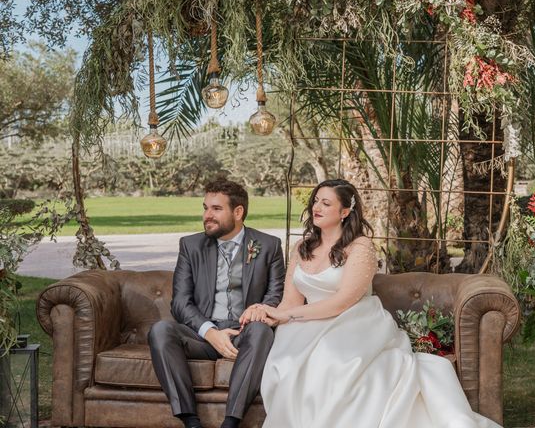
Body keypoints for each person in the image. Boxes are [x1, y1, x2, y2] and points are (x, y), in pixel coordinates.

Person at [243, 179, 502, 428]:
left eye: (325, 203)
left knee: (331, 360)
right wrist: (268, 311)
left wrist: (288, 316)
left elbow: (342, 302)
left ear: (345, 211)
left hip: (351, 322)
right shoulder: (302, 247)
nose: (316, 208)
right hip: (304, 322)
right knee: (286, 363)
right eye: (315, 202)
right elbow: (290, 301)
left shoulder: (360, 246)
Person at [148, 178, 285, 428]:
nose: (207, 215)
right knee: (160, 330)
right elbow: (180, 302)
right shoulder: (190, 246)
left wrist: (258, 311)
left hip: (245, 333)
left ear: (238, 212)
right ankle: (190, 421)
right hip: (201, 335)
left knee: (262, 331)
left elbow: (275, 295)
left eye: (216, 209)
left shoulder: (268, 245)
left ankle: (231, 422)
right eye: (205, 208)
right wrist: (210, 332)